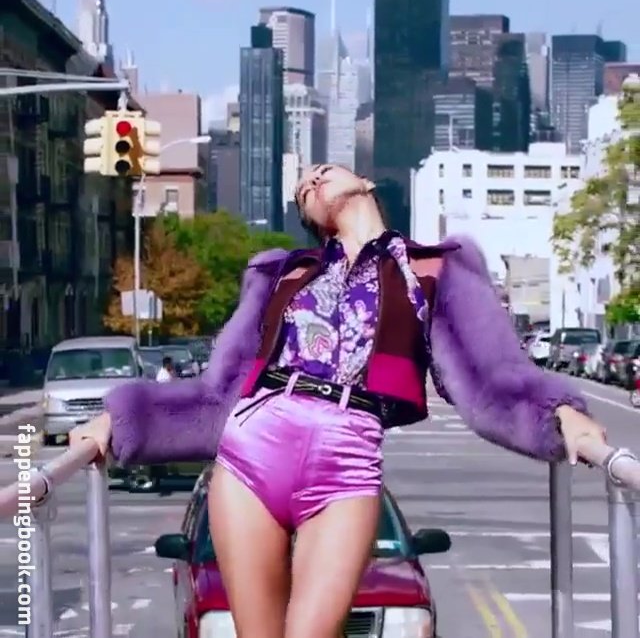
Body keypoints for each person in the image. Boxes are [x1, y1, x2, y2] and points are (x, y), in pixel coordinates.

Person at [71, 164, 606, 638]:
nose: (312, 179)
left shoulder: (435, 269)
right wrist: (120, 421)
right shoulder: (281, 273)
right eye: (302, 188)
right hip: (250, 454)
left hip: (347, 461)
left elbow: (489, 374)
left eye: (322, 170)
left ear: (366, 182)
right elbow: (218, 392)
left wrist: (559, 415)